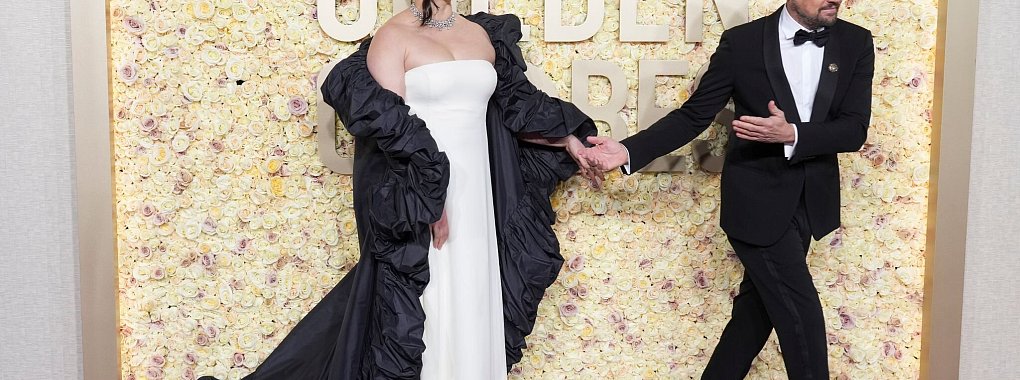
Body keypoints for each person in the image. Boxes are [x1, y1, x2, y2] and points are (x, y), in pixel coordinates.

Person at [200, 1, 597, 379]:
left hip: (478, 199)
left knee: (477, 303)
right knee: (429, 310)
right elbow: (392, 137)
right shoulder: (392, 38)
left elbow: (516, 108)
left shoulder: (483, 34)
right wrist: (427, 201)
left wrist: (569, 141)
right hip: (423, 199)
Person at [581, 0, 874, 378]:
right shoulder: (742, 43)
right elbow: (694, 115)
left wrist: (793, 134)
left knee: (753, 320)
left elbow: (854, 129)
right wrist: (627, 150)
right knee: (801, 317)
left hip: (811, 202)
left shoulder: (855, 42)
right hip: (756, 200)